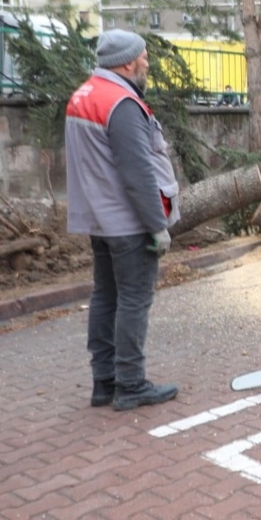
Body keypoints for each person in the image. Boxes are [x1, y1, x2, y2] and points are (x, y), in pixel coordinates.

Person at [65, 30, 181, 411]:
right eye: (144, 56)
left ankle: (105, 382)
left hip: (98, 218)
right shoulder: (122, 103)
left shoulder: (84, 95)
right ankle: (130, 384)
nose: (147, 62)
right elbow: (137, 174)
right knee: (133, 300)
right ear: (129, 61)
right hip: (128, 222)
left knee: (106, 297)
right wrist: (156, 226)